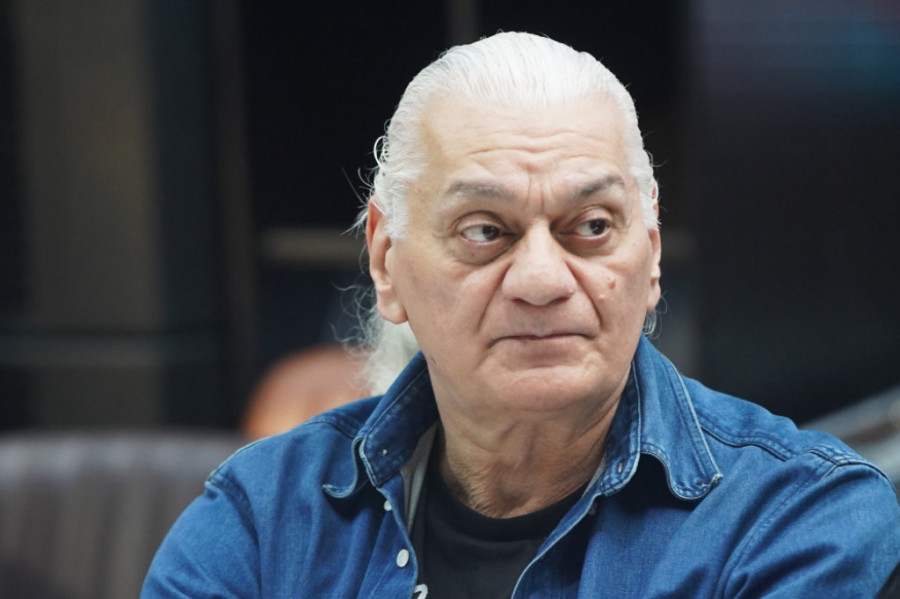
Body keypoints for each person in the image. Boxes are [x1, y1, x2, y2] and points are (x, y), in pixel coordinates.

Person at [142, 32, 900, 598]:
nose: (541, 280)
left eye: (591, 226)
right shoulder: (262, 521)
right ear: (386, 260)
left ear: (652, 255)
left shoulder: (797, 522)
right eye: (485, 231)